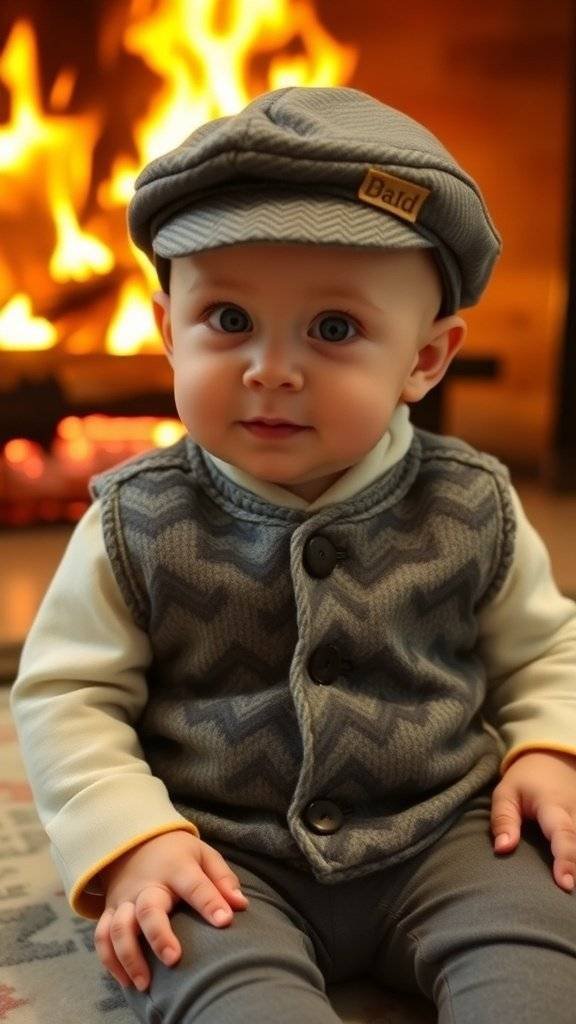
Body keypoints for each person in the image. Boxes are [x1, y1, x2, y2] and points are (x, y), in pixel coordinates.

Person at [10, 86, 576, 1024]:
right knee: (197, 962)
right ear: (164, 332)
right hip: (222, 852)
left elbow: (544, 652)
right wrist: (132, 840)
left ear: (427, 360)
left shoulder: (473, 502)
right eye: (227, 320)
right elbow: (69, 697)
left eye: (335, 329)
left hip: (447, 831)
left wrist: (552, 751)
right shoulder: (133, 521)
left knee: (543, 938)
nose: (270, 368)